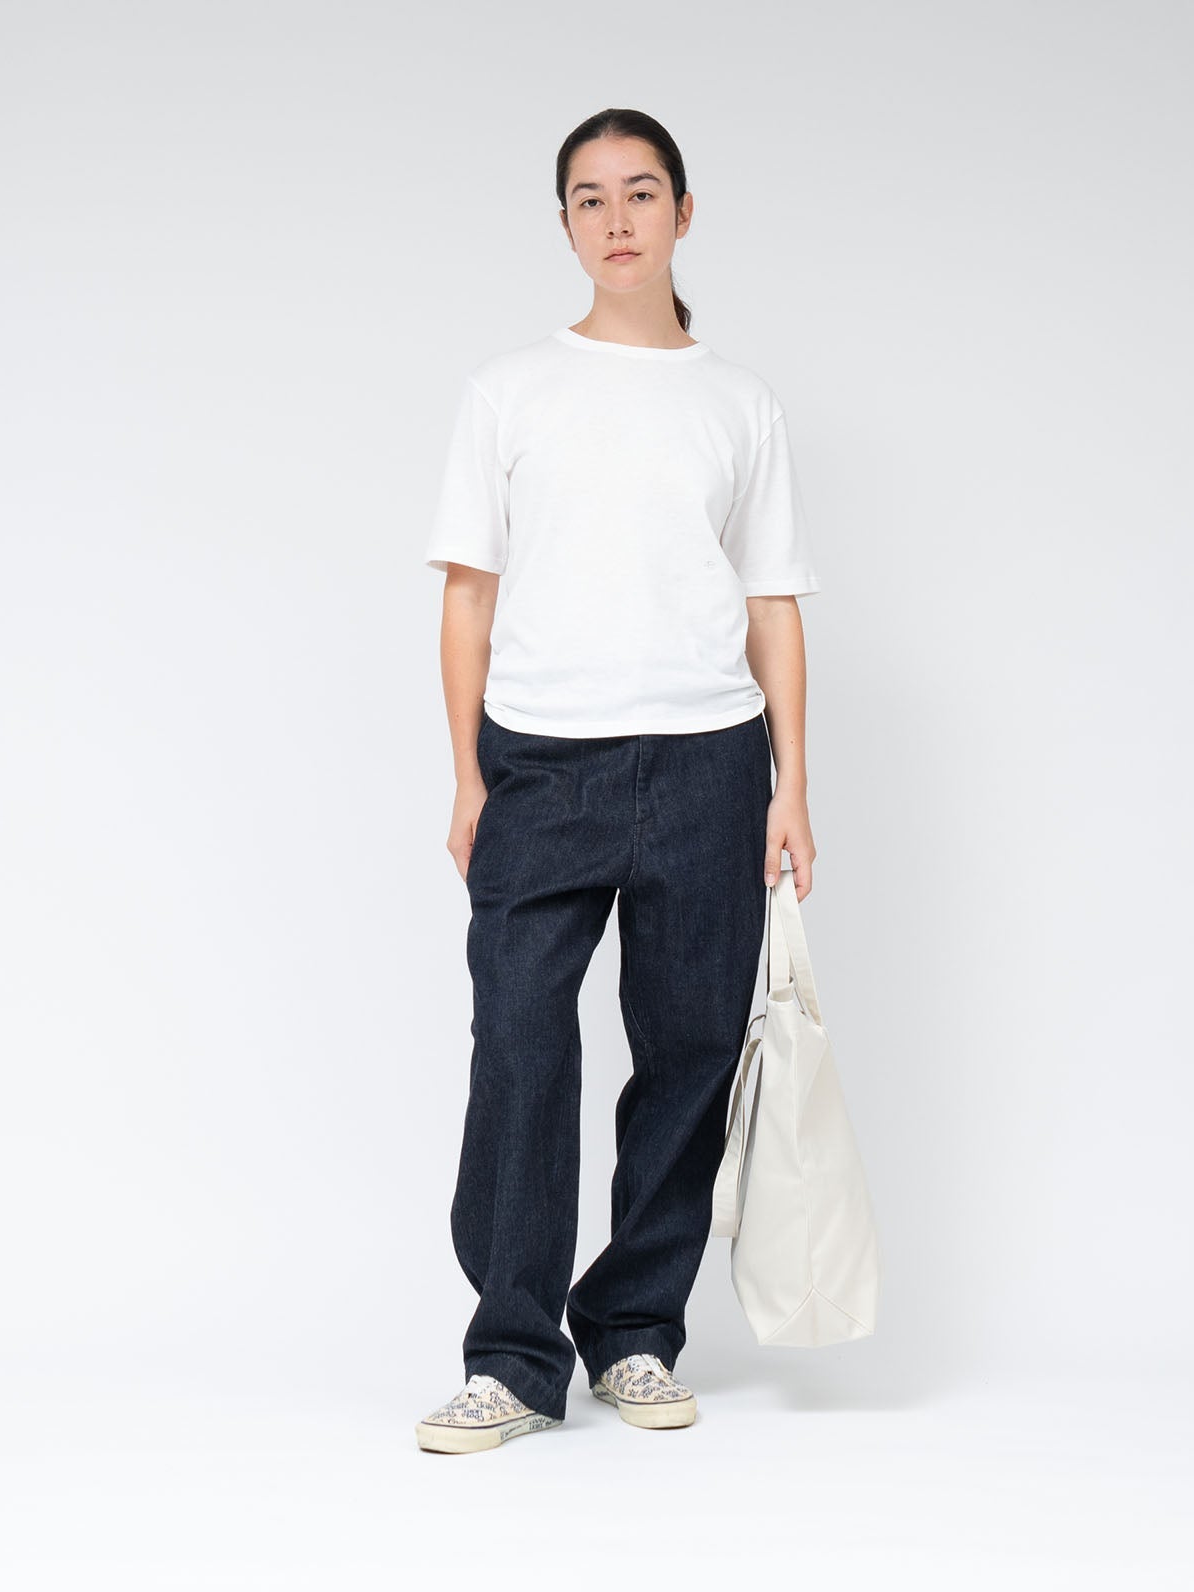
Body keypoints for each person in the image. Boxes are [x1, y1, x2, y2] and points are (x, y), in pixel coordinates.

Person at [416, 108, 821, 1455]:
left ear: (683, 214)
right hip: (541, 759)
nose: (617, 219)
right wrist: (468, 774)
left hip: (710, 761)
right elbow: (467, 595)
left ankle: (636, 1327)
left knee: (691, 1053)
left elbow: (772, 601)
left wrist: (791, 785)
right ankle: (512, 1355)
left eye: (641, 193)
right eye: (589, 199)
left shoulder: (738, 402)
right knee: (522, 1045)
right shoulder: (509, 391)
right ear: (565, 226)